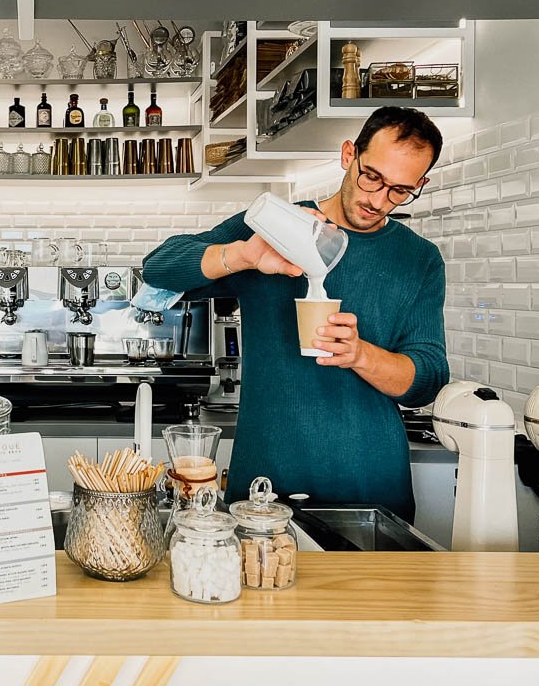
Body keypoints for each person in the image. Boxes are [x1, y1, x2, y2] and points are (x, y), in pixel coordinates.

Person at [143, 106, 449, 519]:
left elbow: (427, 380)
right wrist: (245, 255)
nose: (378, 200)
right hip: (265, 484)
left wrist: (360, 355)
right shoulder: (280, 227)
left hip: (371, 487)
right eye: (371, 176)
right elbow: (160, 267)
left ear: (420, 184)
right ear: (348, 155)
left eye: (400, 191)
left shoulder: (419, 260)